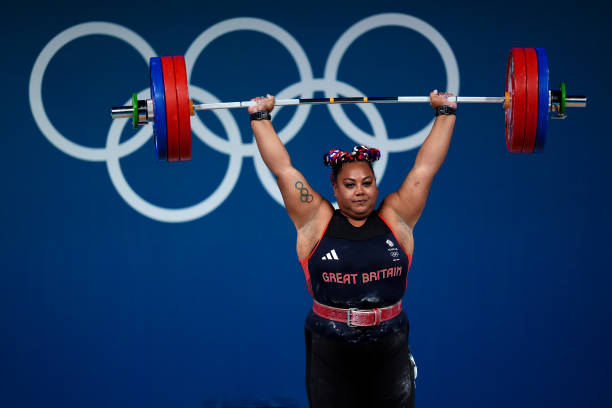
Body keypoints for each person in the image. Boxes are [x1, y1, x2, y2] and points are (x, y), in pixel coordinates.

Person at [249, 91, 457, 408]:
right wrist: (260, 118)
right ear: (335, 186)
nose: (359, 191)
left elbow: (425, 168)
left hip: (389, 343)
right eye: (350, 184)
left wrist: (445, 112)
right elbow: (283, 170)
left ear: (376, 183)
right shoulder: (314, 221)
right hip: (330, 346)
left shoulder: (396, 217)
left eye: (367, 183)